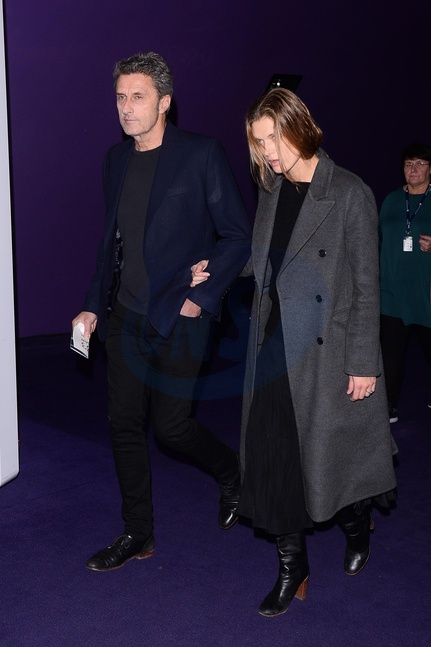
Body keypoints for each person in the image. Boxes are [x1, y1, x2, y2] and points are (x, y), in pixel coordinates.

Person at [193, 88, 397, 617]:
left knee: (330, 465)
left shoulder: (348, 192)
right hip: (272, 349)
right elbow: (263, 260)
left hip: (325, 355)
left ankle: (357, 524)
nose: (267, 153)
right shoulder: (272, 189)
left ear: (300, 128)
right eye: (258, 143)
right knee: (273, 459)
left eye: (273, 139)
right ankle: (292, 567)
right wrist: (215, 267)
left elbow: (366, 288)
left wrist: (363, 362)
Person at [72, 52, 251, 572]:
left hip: (181, 315)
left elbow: (237, 236)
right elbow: (111, 243)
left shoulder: (201, 154)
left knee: (172, 429)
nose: (126, 108)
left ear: (165, 102)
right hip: (125, 316)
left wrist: (201, 298)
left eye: (138, 97)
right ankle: (138, 532)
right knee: (123, 424)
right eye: (120, 98)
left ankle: (232, 471)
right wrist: (92, 305)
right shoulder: (115, 160)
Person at [379, 143, 431, 423]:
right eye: (409, 164)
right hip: (393, 289)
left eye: (420, 164)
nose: (413, 169)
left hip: (429, 290)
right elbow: (378, 239)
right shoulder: (391, 200)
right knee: (391, 349)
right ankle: (389, 404)